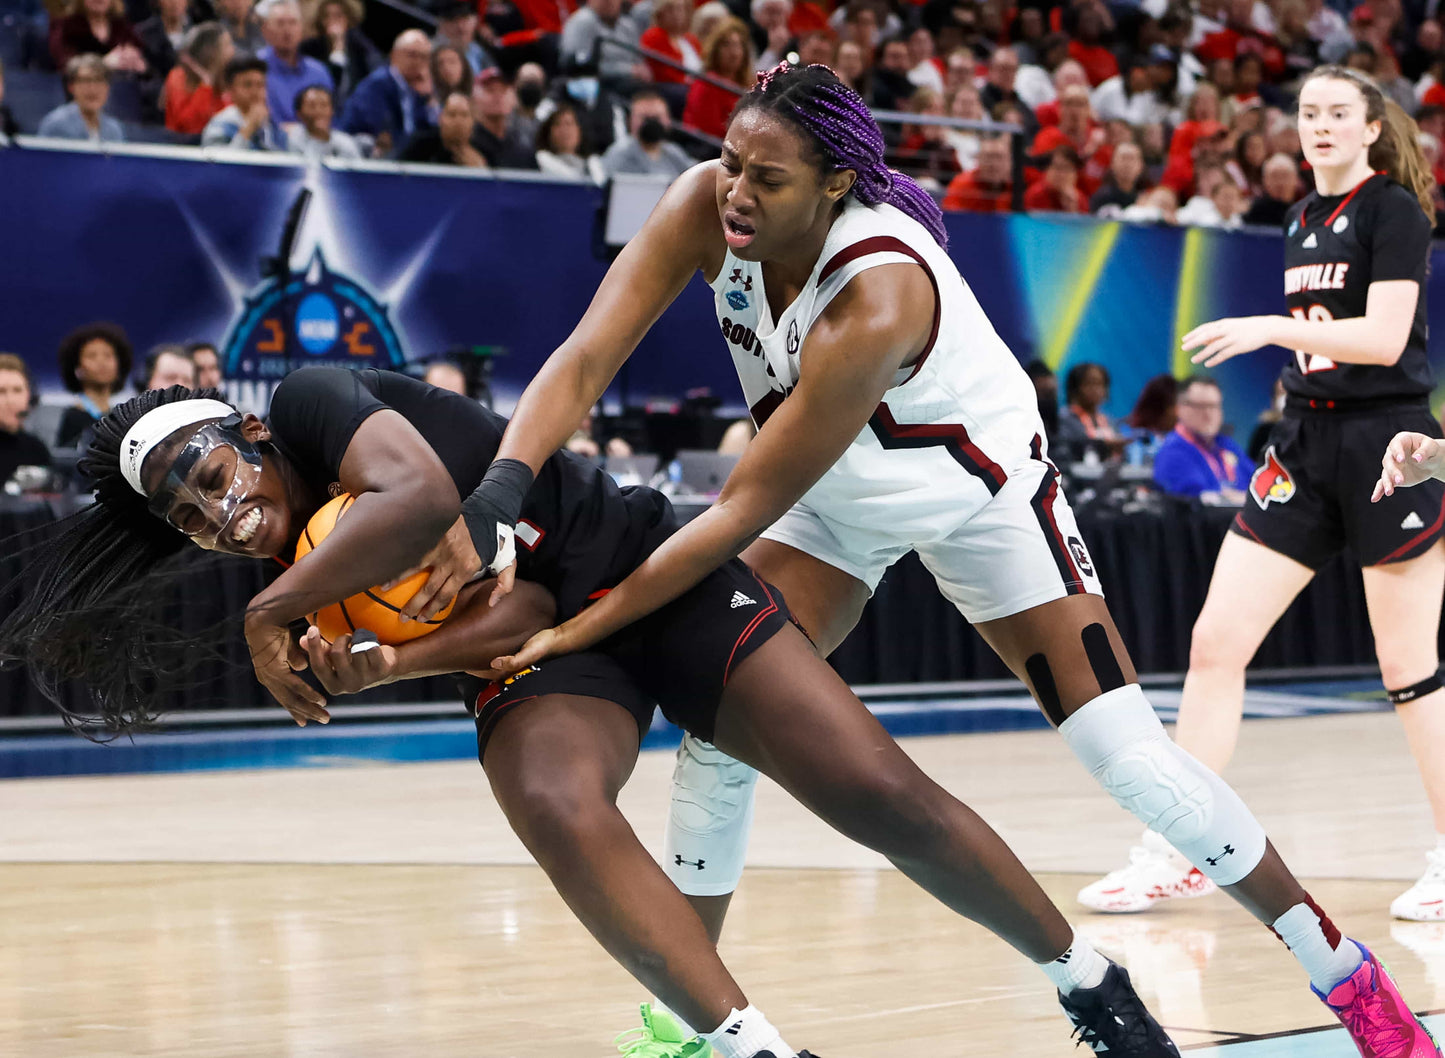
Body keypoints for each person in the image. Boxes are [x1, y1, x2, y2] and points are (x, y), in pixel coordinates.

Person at [418, 61, 1441, 1058]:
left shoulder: (879, 290)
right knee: (716, 725)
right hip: (827, 500)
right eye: (728, 161)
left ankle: (1338, 965)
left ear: (831, 184)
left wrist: (579, 626)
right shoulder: (702, 202)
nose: (735, 190)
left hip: (982, 499)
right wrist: (498, 491)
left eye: (764, 178)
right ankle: (687, 1021)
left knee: (1128, 760)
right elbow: (585, 359)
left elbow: (733, 511)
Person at [0, 369, 1181, 1058]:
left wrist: (275, 612)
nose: (226, 517)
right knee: (556, 802)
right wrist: (372, 670)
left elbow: (418, 495)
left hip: (639, 572)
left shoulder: (312, 403)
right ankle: (752, 1049)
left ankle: (1088, 982)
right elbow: (505, 619)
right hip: (537, 642)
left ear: (248, 433)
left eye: (216, 480)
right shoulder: (298, 563)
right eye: (196, 522)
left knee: (873, 788)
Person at [1080, 66, 1445, 937]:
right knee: (1214, 643)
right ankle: (1181, 853)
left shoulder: (1391, 209)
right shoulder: (1297, 217)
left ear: (1366, 129)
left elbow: (1383, 337)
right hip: (1302, 443)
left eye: (1335, 114)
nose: (1318, 125)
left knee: (1407, 667)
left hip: (1386, 443)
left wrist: (1272, 328)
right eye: (1308, 112)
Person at [1151, 376, 1253, 502]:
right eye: (1201, 406)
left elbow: (1261, 486)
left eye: (1214, 406)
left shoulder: (1226, 445)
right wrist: (1244, 499)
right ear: (1179, 409)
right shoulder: (1172, 452)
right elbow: (1202, 503)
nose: (1209, 414)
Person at [338, 29, 435, 157]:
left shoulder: (419, 89)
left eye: (424, 57)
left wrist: (428, 100)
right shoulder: (376, 86)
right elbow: (384, 137)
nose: (418, 62)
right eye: (412, 55)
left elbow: (427, 134)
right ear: (394, 55)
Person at [55, 322, 132, 448]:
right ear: (77, 368)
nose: (101, 362)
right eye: (92, 356)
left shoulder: (122, 417)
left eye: (108, 355)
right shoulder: (72, 418)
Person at [255, 0, 332, 124]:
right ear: (265, 30)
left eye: (293, 23)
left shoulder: (319, 72)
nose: (287, 30)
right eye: (280, 23)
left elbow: (330, 120)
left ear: (301, 28)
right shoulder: (256, 69)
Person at [683, 17, 755, 140]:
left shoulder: (751, 83)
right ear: (715, 50)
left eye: (738, 46)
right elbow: (709, 128)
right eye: (727, 45)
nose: (734, 53)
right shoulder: (707, 83)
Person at [299, 0, 381, 106]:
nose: (332, 21)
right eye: (327, 16)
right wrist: (337, 50)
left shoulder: (358, 44)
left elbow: (375, 68)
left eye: (338, 16)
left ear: (348, 18)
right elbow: (327, 85)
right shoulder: (310, 48)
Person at [202, 55, 288, 150]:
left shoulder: (272, 126)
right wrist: (248, 128)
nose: (255, 91)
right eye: (247, 85)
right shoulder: (220, 124)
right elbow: (218, 162)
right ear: (231, 89)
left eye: (260, 85)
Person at [600, 90, 694, 178]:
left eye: (656, 118)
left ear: (668, 120)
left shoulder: (674, 153)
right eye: (645, 118)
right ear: (631, 121)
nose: (651, 124)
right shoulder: (619, 154)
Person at [162, 21, 232, 136]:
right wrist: (206, 84)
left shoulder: (225, 81)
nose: (233, 51)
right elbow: (188, 125)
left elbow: (228, 123)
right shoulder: (178, 77)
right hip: (180, 145)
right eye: (227, 45)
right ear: (211, 52)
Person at [38, 54, 126, 142]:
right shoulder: (55, 124)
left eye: (99, 80)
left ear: (107, 87)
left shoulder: (114, 129)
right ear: (71, 87)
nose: (93, 88)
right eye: (86, 81)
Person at [49, 0, 146, 74]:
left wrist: (137, 61)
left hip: (123, 88)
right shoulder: (67, 25)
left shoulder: (120, 23)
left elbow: (141, 54)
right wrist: (103, 64)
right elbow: (66, 66)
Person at [470, 67, 539, 169]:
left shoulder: (523, 145)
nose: (498, 96)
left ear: (514, 97)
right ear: (474, 98)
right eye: (490, 90)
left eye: (504, 90)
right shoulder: (468, 143)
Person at [399, 88, 488, 167]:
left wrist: (480, 170)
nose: (458, 122)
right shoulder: (420, 146)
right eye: (452, 115)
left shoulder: (484, 149)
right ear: (441, 119)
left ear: (473, 121)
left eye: (464, 115)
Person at [1056, 362, 1126, 462]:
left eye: (1101, 384)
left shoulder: (1109, 421)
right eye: (1090, 383)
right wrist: (1102, 446)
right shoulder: (1064, 419)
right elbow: (1064, 452)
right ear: (1075, 388)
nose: (1096, 390)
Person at [0, 354, 51, 488]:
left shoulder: (37, 450)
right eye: (1, 391)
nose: (10, 400)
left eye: (17, 390)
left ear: (29, 396)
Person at [940, 132, 1014, 212]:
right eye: (988, 157)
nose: (993, 164)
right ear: (979, 160)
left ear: (1009, 161)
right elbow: (950, 218)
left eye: (999, 157)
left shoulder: (1019, 185)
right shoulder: (962, 184)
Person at [287, 83, 361, 160]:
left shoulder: (346, 143)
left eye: (324, 105)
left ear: (332, 110)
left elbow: (358, 170)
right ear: (299, 113)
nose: (319, 111)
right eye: (312, 106)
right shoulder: (291, 139)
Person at [535, 102, 605, 182]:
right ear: (548, 132)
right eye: (557, 124)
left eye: (569, 124)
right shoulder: (540, 160)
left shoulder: (593, 165)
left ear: (579, 131)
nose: (564, 130)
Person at [1242, 152, 1302, 225]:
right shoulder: (1253, 212)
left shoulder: (1304, 213)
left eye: (1285, 176)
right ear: (1264, 181)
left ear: (1296, 180)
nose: (1280, 182)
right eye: (1274, 176)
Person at [1090, 140, 1147, 214]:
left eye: (1132, 158)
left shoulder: (1144, 199)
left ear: (1141, 166)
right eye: (1123, 158)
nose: (1127, 164)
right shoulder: (1102, 197)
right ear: (1112, 164)